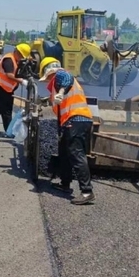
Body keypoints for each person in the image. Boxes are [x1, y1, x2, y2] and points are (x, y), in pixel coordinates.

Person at [39, 57, 96, 205]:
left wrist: (62, 91)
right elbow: (59, 110)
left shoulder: (60, 76)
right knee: (64, 153)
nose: (46, 81)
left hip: (77, 120)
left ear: (50, 73)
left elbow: (67, 78)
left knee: (76, 154)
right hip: (70, 122)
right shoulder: (55, 87)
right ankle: (65, 184)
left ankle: (87, 192)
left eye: (47, 78)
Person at [0, 43, 31, 135]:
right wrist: (21, 81)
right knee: (6, 110)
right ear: (17, 52)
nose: (22, 58)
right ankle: (9, 132)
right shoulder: (9, 60)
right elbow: (9, 75)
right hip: (2, 88)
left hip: (3, 88)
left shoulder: (14, 59)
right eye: (21, 56)